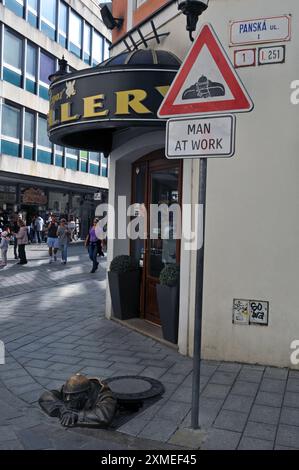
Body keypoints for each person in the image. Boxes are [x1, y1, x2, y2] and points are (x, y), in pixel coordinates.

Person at [38, 374, 117, 428]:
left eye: (73, 396)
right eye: (66, 395)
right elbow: (45, 396)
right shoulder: (70, 390)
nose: (68, 399)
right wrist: (63, 410)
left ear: (86, 394)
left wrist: (76, 415)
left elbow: (103, 417)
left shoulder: (105, 395)